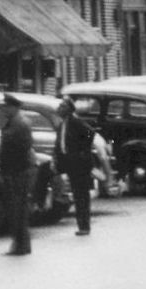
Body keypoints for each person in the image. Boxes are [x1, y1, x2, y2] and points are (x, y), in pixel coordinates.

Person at [0, 94, 35, 256]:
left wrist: (9, 169)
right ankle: (21, 244)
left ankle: (20, 245)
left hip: (16, 172)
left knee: (17, 209)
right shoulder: (16, 122)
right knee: (18, 209)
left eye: (5, 107)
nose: (3, 109)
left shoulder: (18, 124)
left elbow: (18, 149)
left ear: (13, 107)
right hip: (16, 171)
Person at [54, 97, 98, 236]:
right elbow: (60, 144)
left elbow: (91, 133)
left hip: (80, 165)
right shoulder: (63, 124)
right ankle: (82, 225)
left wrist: (82, 151)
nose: (59, 108)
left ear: (69, 109)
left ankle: (84, 226)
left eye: (62, 106)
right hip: (71, 164)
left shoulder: (76, 122)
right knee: (77, 194)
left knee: (81, 196)